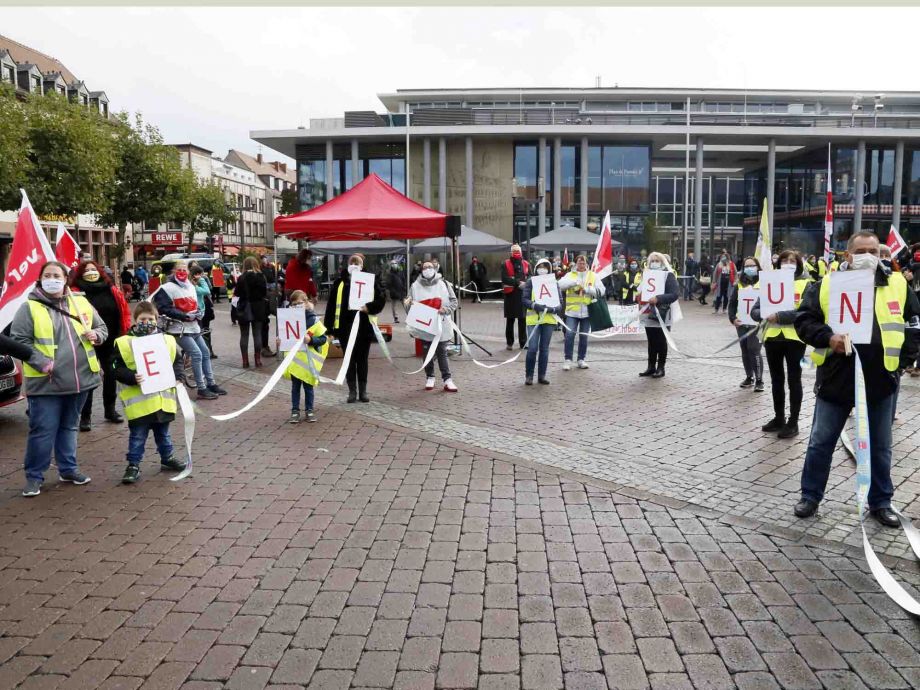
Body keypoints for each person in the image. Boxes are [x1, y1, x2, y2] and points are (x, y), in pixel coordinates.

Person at [793, 231, 920, 527]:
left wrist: (900, 364)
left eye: (873, 250)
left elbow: (914, 323)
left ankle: (881, 501)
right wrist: (828, 337)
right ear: (848, 255)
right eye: (861, 250)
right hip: (837, 378)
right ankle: (810, 495)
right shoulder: (826, 284)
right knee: (820, 442)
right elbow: (804, 320)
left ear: (880, 254)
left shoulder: (898, 284)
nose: (868, 255)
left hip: (880, 380)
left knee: (881, 445)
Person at [11, 260, 106, 496]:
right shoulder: (29, 308)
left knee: (69, 427)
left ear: (65, 280)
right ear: (40, 279)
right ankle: (34, 476)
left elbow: (102, 328)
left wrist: (97, 335)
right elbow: (18, 342)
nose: (52, 278)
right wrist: (41, 362)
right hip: (46, 382)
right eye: (47, 275)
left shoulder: (81, 302)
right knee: (43, 430)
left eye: (57, 275)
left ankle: (68, 469)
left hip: (80, 380)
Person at [111, 302, 187, 484]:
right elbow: (115, 367)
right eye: (142, 319)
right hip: (140, 403)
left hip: (162, 401)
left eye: (150, 319)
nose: (147, 322)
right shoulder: (123, 343)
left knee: (164, 434)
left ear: (157, 319)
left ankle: (167, 457)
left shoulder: (167, 339)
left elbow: (177, 361)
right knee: (138, 436)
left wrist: (179, 377)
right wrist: (131, 377)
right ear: (135, 321)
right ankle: (133, 465)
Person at [752, 250, 811, 438]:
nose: (788, 263)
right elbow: (755, 310)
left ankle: (793, 422)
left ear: (799, 264)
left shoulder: (806, 284)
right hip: (773, 338)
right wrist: (763, 314)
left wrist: (779, 316)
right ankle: (779, 418)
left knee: (794, 379)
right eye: (784, 260)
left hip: (795, 339)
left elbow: (805, 312)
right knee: (777, 380)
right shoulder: (771, 283)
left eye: (792, 260)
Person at [70, 260, 131, 431]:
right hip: (87, 341)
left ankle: (110, 410)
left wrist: (123, 332)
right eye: (86, 270)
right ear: (80, 274)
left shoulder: (111, 289)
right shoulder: (75, 294)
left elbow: (124, 311)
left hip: (110, 339)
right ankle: (85, 416)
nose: (91, 272)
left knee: (111, 374)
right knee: (89, 378)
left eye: (93, 269)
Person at [153, 260, 226, 400]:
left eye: (184, 269)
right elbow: (163, 308)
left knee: (205, 352)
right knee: (197, 354)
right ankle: (201, 387)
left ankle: (211, 383)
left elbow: (195, 303)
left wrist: (198, 312)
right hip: (177, 328)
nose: (182, 272)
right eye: (178, 270)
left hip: (193, 326)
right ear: (173, 272)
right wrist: (184, 316)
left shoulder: (190, 286)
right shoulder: (166, 288)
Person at [323, 253, 387, 403]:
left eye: (357, 263)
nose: (354, 265)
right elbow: (331, 307)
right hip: (345, 327)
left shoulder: (370, 280)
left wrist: (369, 308)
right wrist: (329, 329)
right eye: (352, 263)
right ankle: (352, 391)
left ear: (362, 266)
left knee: (362, 359)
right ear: (347, 265)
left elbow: (381, 298)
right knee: (349, 360)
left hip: (364, 327)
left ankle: (363, 391)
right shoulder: (339, 283)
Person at [406, 260, 459, 392]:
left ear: (435, 268)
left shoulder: (444, 284)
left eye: (430, 267)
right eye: (425, 267)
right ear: (421, 270)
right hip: (425, 325)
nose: (427, 269)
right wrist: (409, 306)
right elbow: (408, 304)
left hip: (441, 324)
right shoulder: (415, 286)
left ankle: (447, 379)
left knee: (442, 351)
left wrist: (445, 310)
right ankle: (430, 377)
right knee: (427, 352)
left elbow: (454, 301)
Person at [278, 290, 328, 424]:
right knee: (295, 387)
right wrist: (280, 342)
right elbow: (285, 338)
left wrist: (310, 340)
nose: (297, 307)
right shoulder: (288, 319)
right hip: (294, 361)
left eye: (300, 303)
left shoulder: (313, 320)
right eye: (294, 304)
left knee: (308, 387)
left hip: (308, 362)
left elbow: (323, 339)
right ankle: (295, 411)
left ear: (306, 303)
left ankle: (309, 410)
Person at [638, 252, 680, 379]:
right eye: (653, 261)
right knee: (651, 340)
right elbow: (642, 291)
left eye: (657, 261)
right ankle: (651, 367)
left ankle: (661, 367)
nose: (654, 263)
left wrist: (658, 298)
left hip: (663, 312)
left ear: (662, 262)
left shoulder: (668, 275)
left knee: (661, 340)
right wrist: (638, 296)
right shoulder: (646, 275)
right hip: (648, 313)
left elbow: (674, 294)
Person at [521, 258, 562, 385]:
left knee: (544, 349)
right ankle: (529, 376)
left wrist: (554, 308)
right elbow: (524, 299)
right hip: (534, 320)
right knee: (532, 348)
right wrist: (534, 306)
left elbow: (560, 302)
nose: (542, 269)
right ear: (536, 268)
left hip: (548, 320)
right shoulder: (530, 282)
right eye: (540, 267)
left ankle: (542, 376)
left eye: (545, 267)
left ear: (549, 269)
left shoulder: (554, 283)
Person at [558, 254, 602, 371]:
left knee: (584, 337)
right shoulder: (569, 274)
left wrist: (588, 289)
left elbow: (601, 291)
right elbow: (560, 285)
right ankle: (568, 360)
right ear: (576, 263)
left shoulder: (593, 276)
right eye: (579, 262)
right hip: (572, 312)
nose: (581, 265)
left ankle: (581, 359)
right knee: (569, 335)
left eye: (583, 263)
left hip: (587, 312)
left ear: (586, 264)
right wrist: (573, 283)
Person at [728, 257, 765, 392]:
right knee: (745, 350)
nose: (750, 268)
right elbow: (732, 303)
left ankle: (759, 379)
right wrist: (732, 319)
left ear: (758, 266)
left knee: (754, 349)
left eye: (752, 265)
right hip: (742, 324)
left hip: (758, 324)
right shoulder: (739, 284)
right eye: (747, 266)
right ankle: (749, 377)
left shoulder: (764, 282)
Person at [234, 256, 269, 367]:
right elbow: (264, 293)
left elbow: (237, 293)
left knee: (244, 335)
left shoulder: (241, 278)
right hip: (258, 307)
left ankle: (245, 361)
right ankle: (257, 360)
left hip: (244, 307)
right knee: (257, 334)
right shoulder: (261, 276)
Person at [501, 244, 529, 350]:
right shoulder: (505, 264)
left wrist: (526, 283)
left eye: (518, 250)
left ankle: (523, 343)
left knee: (523, 320)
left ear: (521, 252)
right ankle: (510, 343)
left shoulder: (526, 263)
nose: (516, 252)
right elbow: (504, 278)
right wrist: (518, 283)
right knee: (510, 320)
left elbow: (530, 275)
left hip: (522, 295)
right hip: (510, 296)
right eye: (514, 250)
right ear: (511, 252)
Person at [190, 265, 217, 359]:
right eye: (199, 274)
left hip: (202, 311)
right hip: (197, 311)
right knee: (199, 333)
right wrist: (200, 281)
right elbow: (206, 291)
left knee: (203, 331)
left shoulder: (198, 282)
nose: (201, 276)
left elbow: (209, 288)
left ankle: (208, 350)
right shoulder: (193, 285)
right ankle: (202, 352)